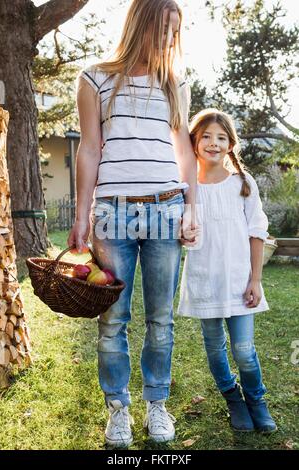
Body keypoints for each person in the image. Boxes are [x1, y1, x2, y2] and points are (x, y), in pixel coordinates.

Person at [68, 0, 198, 448]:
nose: (168, 40)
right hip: (112, 212)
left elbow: (184, 153)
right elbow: (89, 148)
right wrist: (82, 213)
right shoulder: (94, 78)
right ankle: (118, 409)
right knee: (113, 319)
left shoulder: (173, 83)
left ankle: (156, 404)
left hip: (165, 208)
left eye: (174, 32)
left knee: (161, 319)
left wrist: (192, 208)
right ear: (141, 22)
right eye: (163, 28)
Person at [178, 108, 277, 433]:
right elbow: (182, 234)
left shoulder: (243, 184)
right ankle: (233, 400)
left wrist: (255, 280)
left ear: (230, 144)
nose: (213, 143)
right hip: (205, 280)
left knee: (244, 350)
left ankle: (256, 400)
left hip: (239, 281)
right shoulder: (185, 188)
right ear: (194, 141)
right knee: (215, 346)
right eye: (205, 136)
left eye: (221, 137)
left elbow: (256, 231)